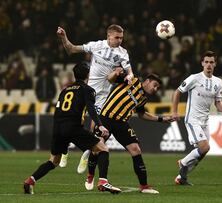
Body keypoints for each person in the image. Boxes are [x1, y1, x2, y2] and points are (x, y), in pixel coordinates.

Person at [23, 62, 121, 194]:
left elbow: (57, 110)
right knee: (103, 148)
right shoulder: (88, 90)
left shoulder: (65, 90)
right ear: (88, 74)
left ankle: (30, 181)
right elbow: (91, 110)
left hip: (58, 127)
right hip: (73, 127)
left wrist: (57, 130)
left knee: (53, 161)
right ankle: (103, 181)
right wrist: (100, 125)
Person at [56, 24, 134, 173]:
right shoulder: (96, 46)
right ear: (109, 36)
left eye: (121, 38)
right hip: (86, 91)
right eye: (117, 37)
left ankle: (86, 153)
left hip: (103, 96)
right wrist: (63, 37)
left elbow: (130, 72)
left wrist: (129, 77)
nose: (119, 40)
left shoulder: (123, 53)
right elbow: (71, 49)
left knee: (95, 128)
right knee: (74, 124)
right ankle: (65, 150)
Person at [84, 73, 175, 194]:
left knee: (135, 149)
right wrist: (116, 73)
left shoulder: (143, 98)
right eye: (155, 85)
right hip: (105, 118)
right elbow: (111, 79)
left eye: (157, 87)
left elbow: (142, 114)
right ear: (147, 81)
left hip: (121, 123)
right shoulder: (131, 80)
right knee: (97, 149)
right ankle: (91, 175)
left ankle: (144, 186)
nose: (155, 89)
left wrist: (160, 119)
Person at [172, 51, 222, 185]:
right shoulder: (194, 78)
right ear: (202, 63)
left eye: (211, 62)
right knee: (204, 147)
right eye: (206, 62)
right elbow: (177, 92)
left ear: (215, 64)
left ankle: (181, 177)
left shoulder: (218, 82)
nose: (209, 65)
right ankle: (183, 162)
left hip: (205, 120)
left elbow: (217, 102)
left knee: (204, 151)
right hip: (192, 119)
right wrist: (174, 112)